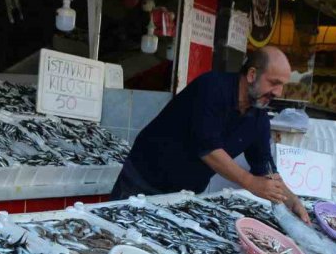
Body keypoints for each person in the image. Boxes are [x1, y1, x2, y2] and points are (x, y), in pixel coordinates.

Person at [110, 46, 309, 221]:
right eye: (274, 82)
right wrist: (250, 183)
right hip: (142, 181)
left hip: (184, 195)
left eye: (283, 85)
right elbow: (207, 148)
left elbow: (265, 167)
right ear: (251, 75)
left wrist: (291, 200)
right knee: (116, 238)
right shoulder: (212, 87)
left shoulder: (258, 118)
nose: (278, 92)